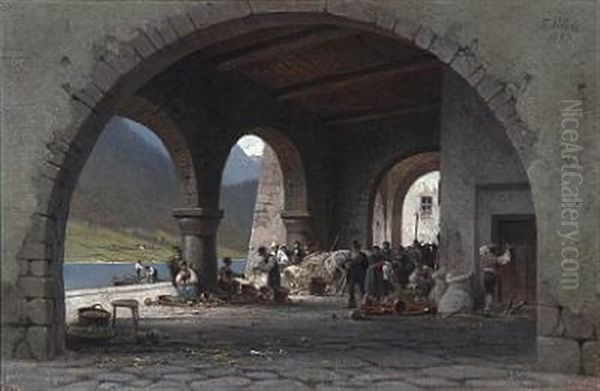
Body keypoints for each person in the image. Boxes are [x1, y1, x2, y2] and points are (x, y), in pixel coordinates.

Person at [480, 243, 512, 316]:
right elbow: (506, 260)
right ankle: (487, 309)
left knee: (487, 292)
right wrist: (507, 250)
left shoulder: (485, 257)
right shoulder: (495, 259)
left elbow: (481, 250)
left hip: (485, 276)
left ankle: (486, 307)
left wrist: (486, 248)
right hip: (491, 276)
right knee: (490, 293)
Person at [343, 240, 369, 308]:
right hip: (351, 274)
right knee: (351, 289)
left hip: (360, 273)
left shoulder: (363, 255)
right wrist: (346, 265)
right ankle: (351, 303)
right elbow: (344, 263)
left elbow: (366, 264)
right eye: (354, 247)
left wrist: (358, 264)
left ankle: (363, 303)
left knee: (362, 289)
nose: (355, 248)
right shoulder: (349, 255)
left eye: (356, 247)